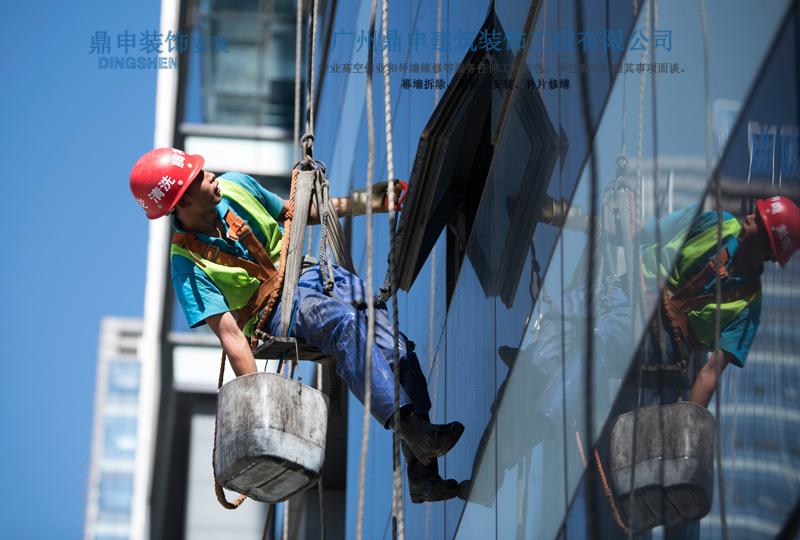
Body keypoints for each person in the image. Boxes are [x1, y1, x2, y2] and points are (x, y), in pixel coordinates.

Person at [129, 147, 465, 503]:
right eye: (197, 178)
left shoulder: (237, 187)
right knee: (344, 324)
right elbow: (231, 337)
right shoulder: (187, 266)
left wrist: (374, 199)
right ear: (180, 203)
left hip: (314, 275)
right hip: (276, 312)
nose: (209, 175)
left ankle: (422, 474)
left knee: (398, 352)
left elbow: (302, 212)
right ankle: (412, 427)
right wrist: (260, 405)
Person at [640, 196, 800, 407]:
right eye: (755, 214)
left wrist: (689, 429)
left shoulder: (749, 305)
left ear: (767, 250)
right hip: (637, 290)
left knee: (661, 406)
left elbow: (709, 374)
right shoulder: (718, 224)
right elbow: (648, 233)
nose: (749, 218)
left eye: (758, 222)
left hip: (669, 343)